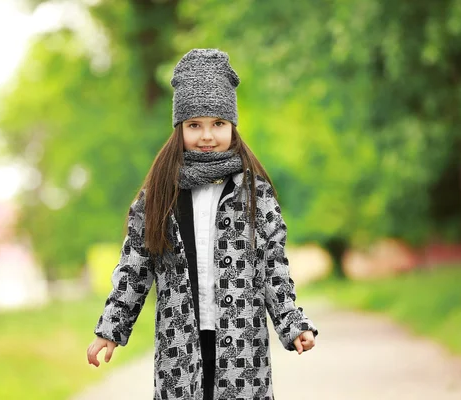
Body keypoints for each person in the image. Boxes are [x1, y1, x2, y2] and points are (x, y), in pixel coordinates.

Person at [86, 48, 318, 400]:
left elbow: (273, 267)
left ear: (232, 126)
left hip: (243, 349)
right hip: (180, 345)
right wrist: (111, 329)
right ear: (179, 127)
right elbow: (135, 266)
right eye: (195, 125)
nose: (207, 136)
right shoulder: (160, 195)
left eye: (218, 124)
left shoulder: (254, 192)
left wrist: (291, 322)